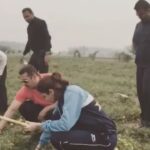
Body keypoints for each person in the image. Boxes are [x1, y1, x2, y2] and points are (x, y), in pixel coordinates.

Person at [25, 72, 117, 150]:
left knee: (58, 138)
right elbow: (53, 122)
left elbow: (65, 125)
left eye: (44, 96)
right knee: (56, 134)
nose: (46, 100)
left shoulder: (72, 93)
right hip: (90, 132)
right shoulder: (62, 99)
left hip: (105, 137)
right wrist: (40, 144)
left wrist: (40, 126)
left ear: (51, 91)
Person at [0, 65, 56, 132]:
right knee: (24, 106)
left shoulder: (52, 78)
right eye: (23, 81)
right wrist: (0, 127)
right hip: (41, 110)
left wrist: (47, 109)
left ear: (34, 77)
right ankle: (39, 127)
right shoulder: (25, 89)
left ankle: (53, 126)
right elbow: (12, 109)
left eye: (25, 81)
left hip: (57, 108)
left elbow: (66, 99)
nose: (24, 84)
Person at [133, 0, 150, 127]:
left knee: (147, 90)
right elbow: (135, 41)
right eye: (137, 12)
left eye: (139, 11)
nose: (138, 14)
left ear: (146, 9)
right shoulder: (138, 26)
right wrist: (138, 51)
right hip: (140, 63)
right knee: (140, 91)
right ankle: (144, 119)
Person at [22, 8, 52, 73]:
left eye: (27, 16)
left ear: (32, 14)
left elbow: (47, 37)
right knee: (28, 73)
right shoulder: (29, 27)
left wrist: (47, 54)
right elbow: (30, 41)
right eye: (24, 17)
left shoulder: (41, 22)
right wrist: (24, 53)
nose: (26, 19)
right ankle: (30, 83)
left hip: (43, 53)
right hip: (35, 54)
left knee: (43, 75)